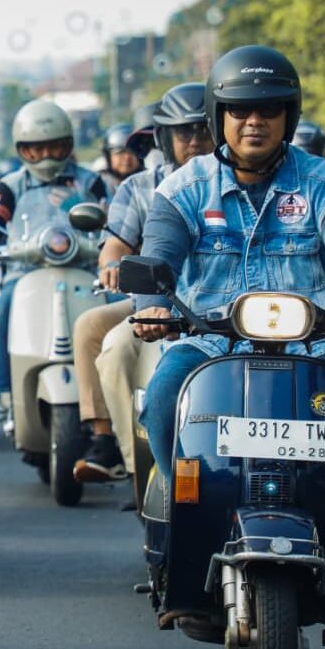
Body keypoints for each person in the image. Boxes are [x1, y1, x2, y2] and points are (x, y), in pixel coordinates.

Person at [133, 46, 325, 502]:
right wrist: (152, 305)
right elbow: (158, 257)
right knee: (163, 401)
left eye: (269, 110)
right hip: (206, 344)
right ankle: (182, 509)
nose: (254, 122)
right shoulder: (182, 189)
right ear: (218, 116)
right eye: (240, 110)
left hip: (313, 344)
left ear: (289, 117)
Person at [73, 82, 214, 483]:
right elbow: (115, 246)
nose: (195, 141)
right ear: (164, 139)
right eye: (183, 132)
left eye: (203, 130)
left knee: (118, 346)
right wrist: (112, 266)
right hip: (155, 300)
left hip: (213, 302)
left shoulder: (231, 181)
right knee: (93, 329)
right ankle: (120, 451)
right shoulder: (139, 187)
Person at [0, 99, 108, 429]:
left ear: (68, 145)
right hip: (26, 272)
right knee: (2, 307)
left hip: (84, 268)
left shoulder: (90, 182)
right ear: (22, 150)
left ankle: (116, 397)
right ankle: (7, 394)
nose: (46, 156)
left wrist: (82, 206)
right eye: (36, 149)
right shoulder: (10, 185)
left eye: (54, 147)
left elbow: (112, 221)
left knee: (116, 307)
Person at [100, 123, 142, 190]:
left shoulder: (149, 182)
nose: (127, 157)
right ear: (108, 155)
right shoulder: (98, 185)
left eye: (132, 151)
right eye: (120, 152)